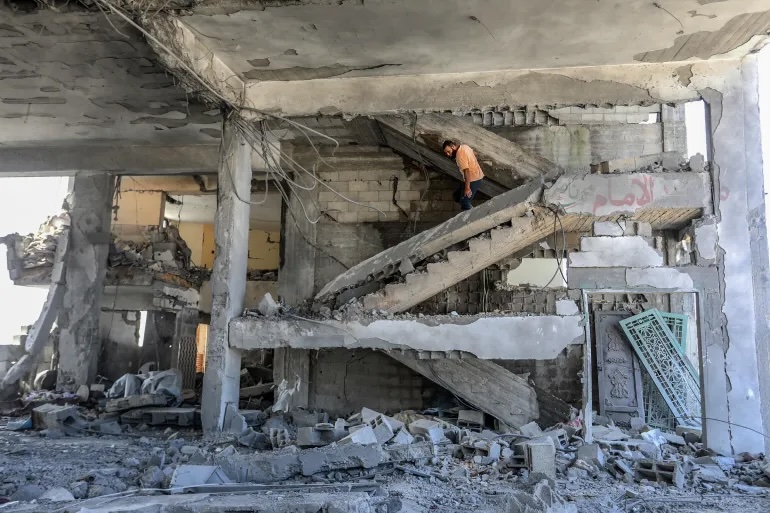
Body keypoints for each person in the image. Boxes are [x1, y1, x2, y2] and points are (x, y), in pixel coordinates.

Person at [442, 140, 484, 211]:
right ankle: (468, 205)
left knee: (464, 202)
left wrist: (467, 188)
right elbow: (474, 153)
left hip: (473, 179)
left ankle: (471, 215)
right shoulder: (465, 146)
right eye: (446, 153)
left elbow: (467, 171)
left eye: (448, 151)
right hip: (475, 176)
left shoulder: (459, 156)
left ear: (453, 147)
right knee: (456, 196)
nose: (448, 154)